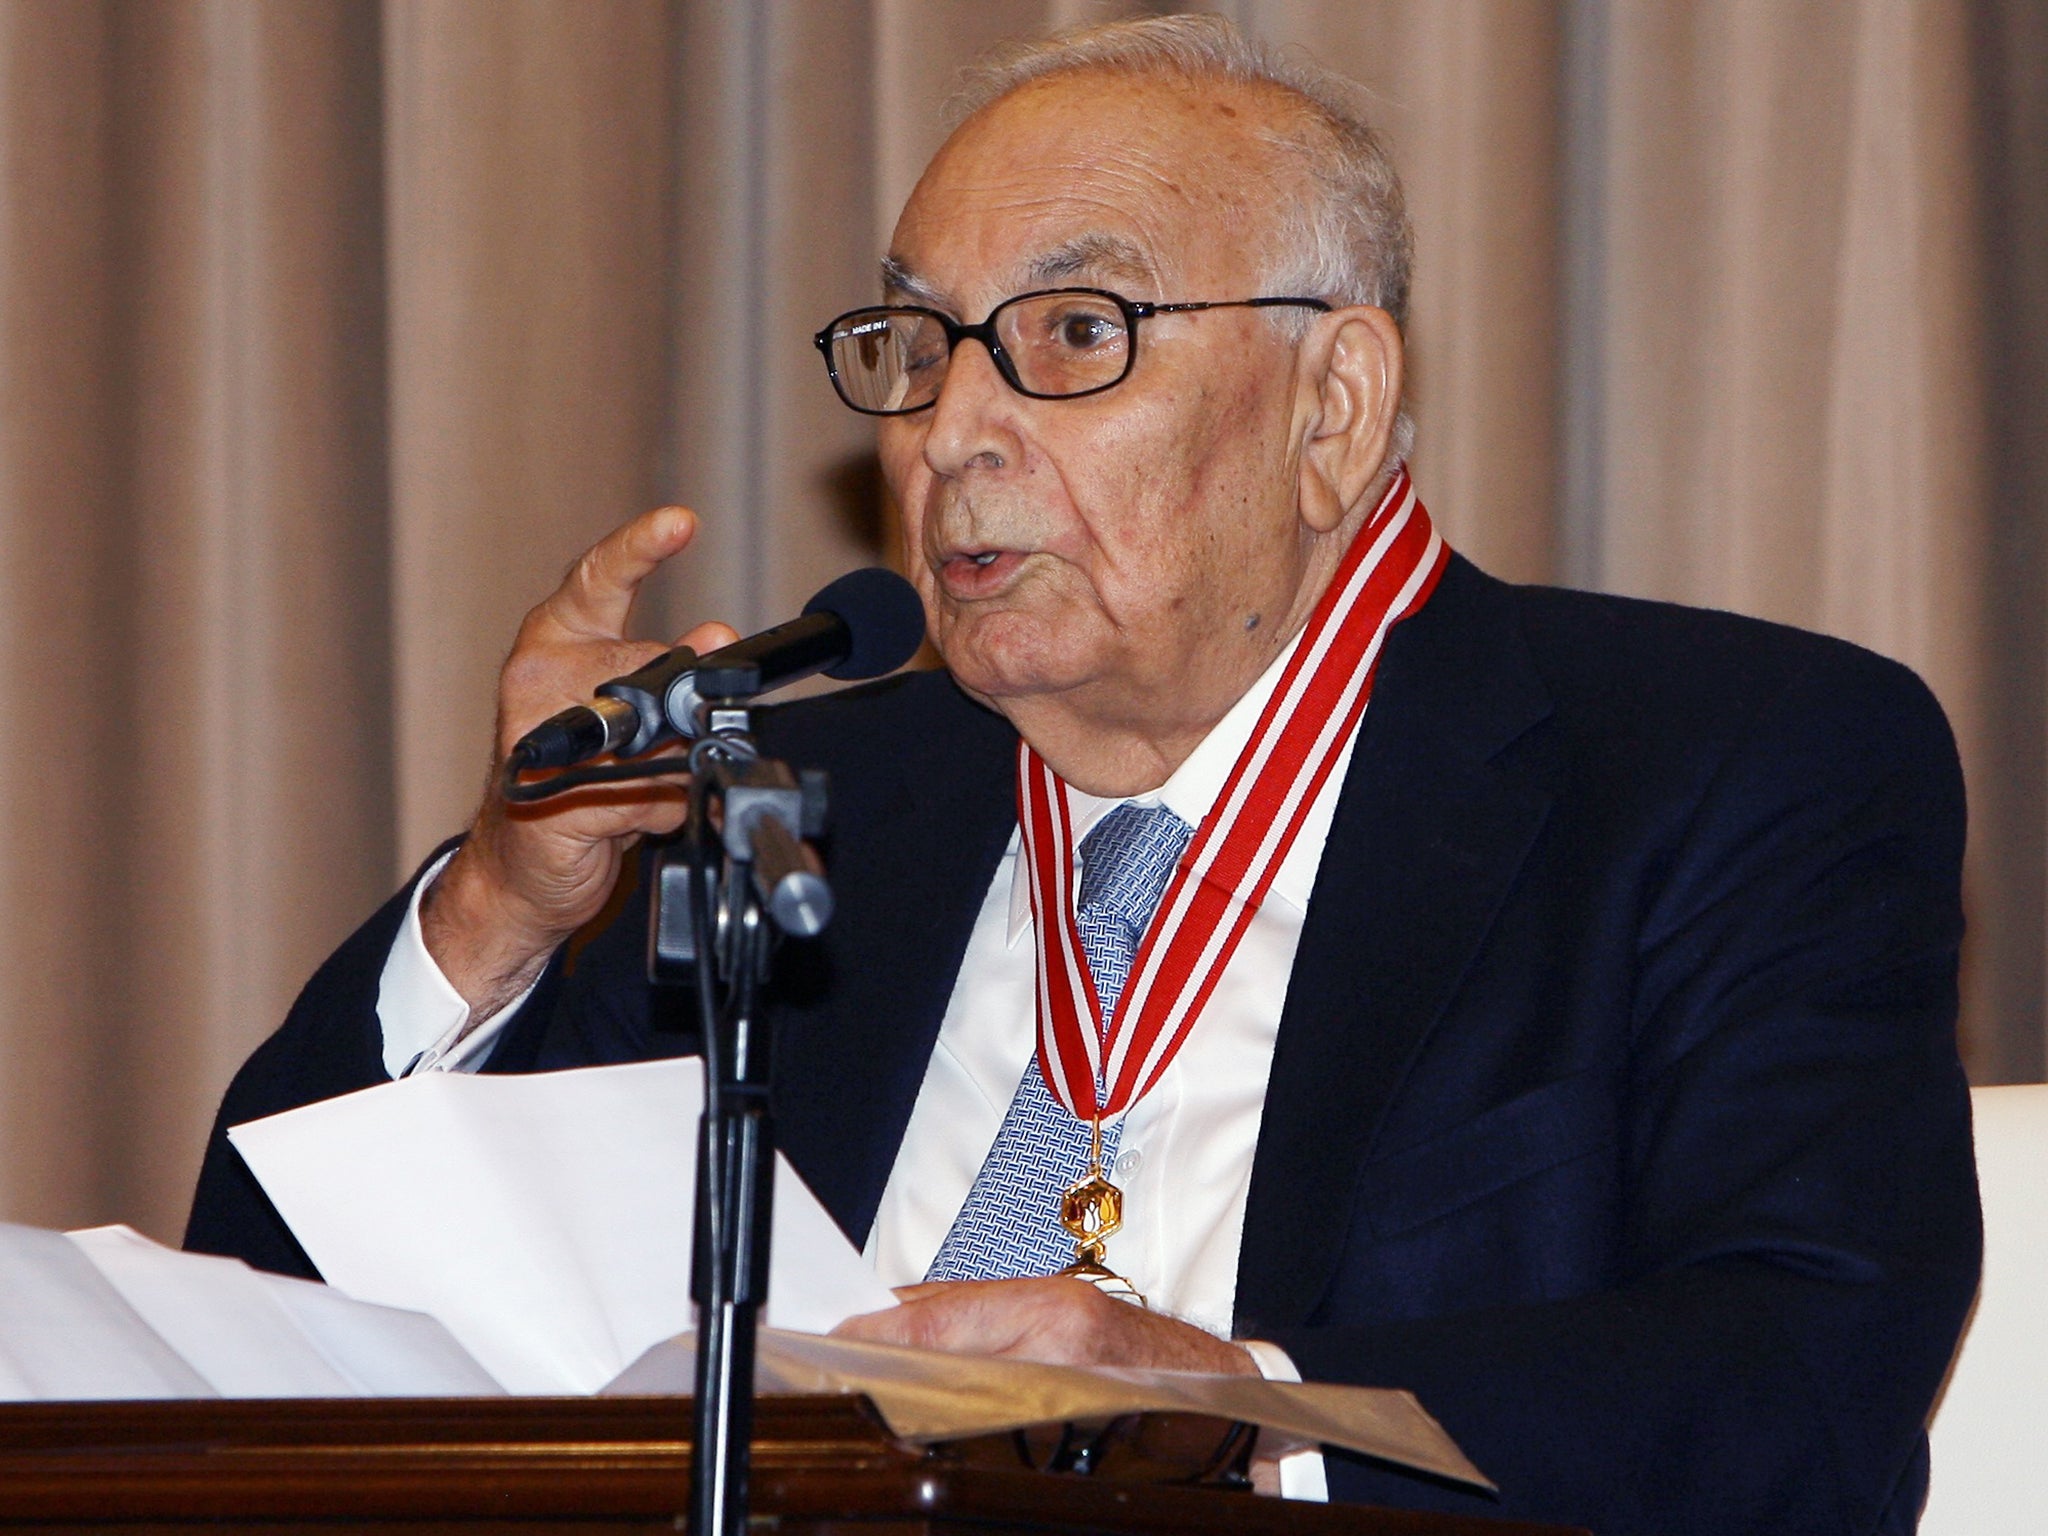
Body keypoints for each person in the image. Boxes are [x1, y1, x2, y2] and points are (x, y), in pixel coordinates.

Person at [186, 16, 1978, 1534]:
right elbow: (264, 1328)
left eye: (1072, 337)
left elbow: (1803, 1380)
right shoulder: (787, 810)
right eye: (914, 350)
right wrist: (503, 903)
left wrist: (1250, 1408)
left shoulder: (1721, 765)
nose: (949, 432)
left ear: (1330, 407)